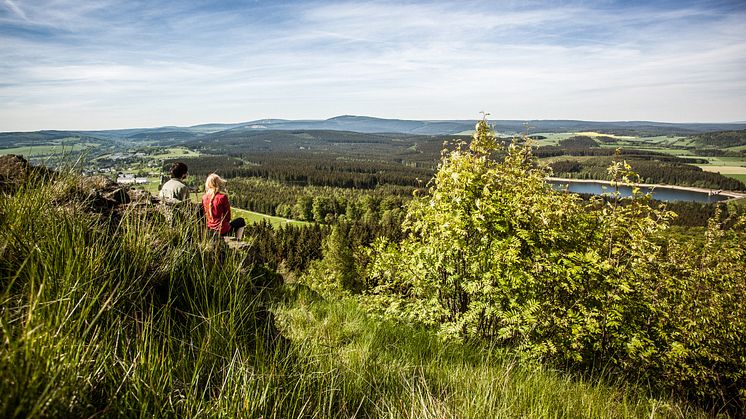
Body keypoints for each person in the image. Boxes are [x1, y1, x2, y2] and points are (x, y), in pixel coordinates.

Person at [202, 173, 245, 240]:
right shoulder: (222, 197)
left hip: (210, 230)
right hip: (223, 230)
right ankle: (237, 240)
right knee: (241, 221)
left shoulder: (204, 197)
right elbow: (228, 217)